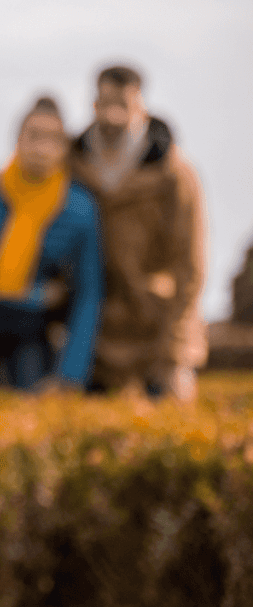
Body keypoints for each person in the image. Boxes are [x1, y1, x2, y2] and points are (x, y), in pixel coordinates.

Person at [0, 96, 103, 392]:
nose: (42, 148)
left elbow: (88, 294)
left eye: (53, 139)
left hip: (29, 331)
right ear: (17, 140)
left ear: (65, 148)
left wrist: (71, 375)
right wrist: (38, 297)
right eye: (34, 136)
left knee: (32, 410)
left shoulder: (78, 209)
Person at [67, 65, 207, 402]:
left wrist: (176, 355)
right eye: (105, 101)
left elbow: (190, 268)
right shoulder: (72, 165)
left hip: (154, 339)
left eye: (124, 103)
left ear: (141, 106)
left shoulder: (175, 176)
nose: (113, 113)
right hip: (92, 341)